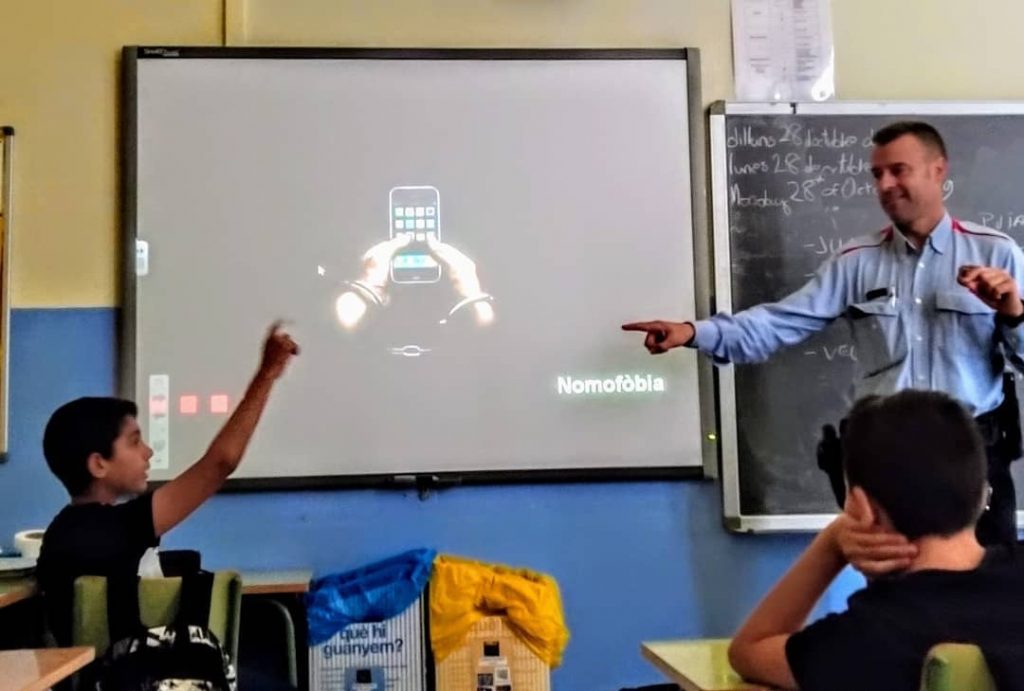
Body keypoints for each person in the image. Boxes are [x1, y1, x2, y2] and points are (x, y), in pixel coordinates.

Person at [622, 120, 1024, 544]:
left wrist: (1014, 312)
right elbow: (781, 323)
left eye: (898, 170)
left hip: (972, 460)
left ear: (937, 170)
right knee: (894, 582)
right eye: (877, 174)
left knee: (990, 582)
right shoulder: (856, 262)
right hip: (889, 463)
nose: (885, 185)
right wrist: (693, 332)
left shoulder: (996, 254)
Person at [728, 390, 1024, 691]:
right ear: (983, 494)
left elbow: (749, 648)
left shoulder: (866, 640)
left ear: (862, 508)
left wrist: (832, 543)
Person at [36, 322, 299, 645]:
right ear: (98, 464)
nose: (148, 451)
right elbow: (221, 462)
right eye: (134, 442)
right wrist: (266, 375)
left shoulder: (57, 535)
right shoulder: (126, 526)